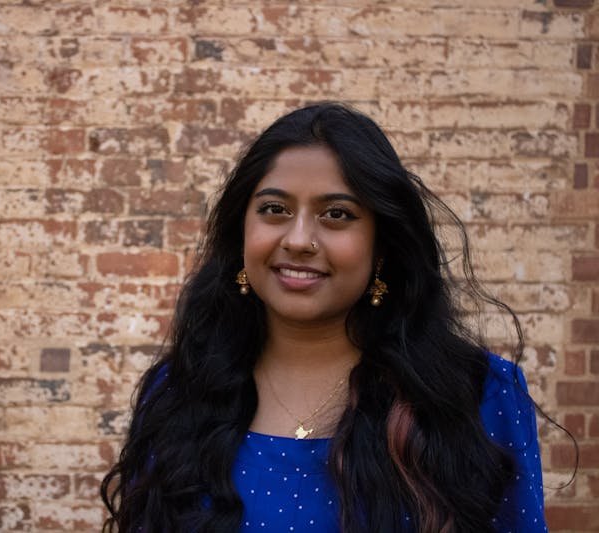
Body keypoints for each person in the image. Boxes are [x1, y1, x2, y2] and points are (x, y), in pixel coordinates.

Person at [101, 102, 549, 532]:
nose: (298, 239)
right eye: (274, 210)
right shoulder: (179, 393)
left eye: (337, 214)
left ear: (382, 247)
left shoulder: (477, 396)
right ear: (242, 232)